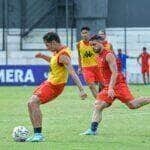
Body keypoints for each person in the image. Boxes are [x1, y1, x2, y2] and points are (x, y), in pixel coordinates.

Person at [81, 35, 150, 135]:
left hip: (118, 85)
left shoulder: (108, 55)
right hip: (108, 86)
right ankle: (92, 130)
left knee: (132, 105)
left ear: (101, 43)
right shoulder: (98, 56)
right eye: (91, 45)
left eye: (94, 44)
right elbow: (104, 74)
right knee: (98, 105)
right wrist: (104, 87)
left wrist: (110, 88)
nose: (93, 47)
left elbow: (115, 72)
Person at [26, 32, 87, 142]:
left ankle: (39, 135)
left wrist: (81, 89)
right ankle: (36, 134)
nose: (47, 48)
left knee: (33, 103)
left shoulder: (63, 55)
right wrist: (43, 56)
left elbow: (72, 72)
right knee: (30, 104)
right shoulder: (57, 52)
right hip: (48, 83)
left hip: (55, 86)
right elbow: (55, 62)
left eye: (47, 45)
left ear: (54, 42)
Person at [77, 26, 101, 98]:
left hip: (97, 66)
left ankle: (102, 99)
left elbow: (99, 53)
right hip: (86, 68)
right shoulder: (78, 44)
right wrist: (80, 67)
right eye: (83, 33)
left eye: (86, 33)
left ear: (89, 33)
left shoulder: (94, 42)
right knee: (91, 86)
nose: (84, 34)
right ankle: (98, 102)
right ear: (81, 34)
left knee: (102, 85)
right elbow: (79, 56)